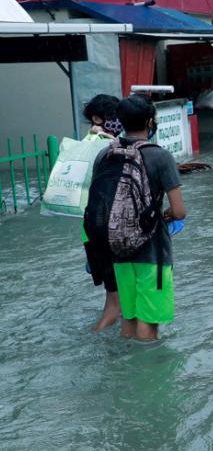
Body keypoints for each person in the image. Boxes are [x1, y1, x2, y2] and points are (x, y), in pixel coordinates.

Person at [85, 94, 187, 341]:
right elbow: (179, 211)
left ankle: (126, 374)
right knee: (148, 324)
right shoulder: (160, 156)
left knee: (128, 320)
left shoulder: (105, 155)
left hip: (118, 252)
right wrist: (165, 214)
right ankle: (148, 376)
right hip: (153, 253)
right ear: (150, 122)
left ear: (120, 121)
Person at [80, 94, 125, 332]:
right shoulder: (100, 143)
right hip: (106, 228)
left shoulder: (87, 142)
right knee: (115, 303)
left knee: (114, 297)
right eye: (113, 117)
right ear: (98, 118)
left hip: (92, 228)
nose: (118, 121)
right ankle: (99, 341)